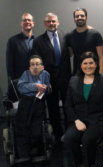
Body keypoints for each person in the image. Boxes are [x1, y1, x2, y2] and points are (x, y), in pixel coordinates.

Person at [64, 51, 103, 167]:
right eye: (85, 63)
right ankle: (79, 165)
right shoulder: (73, 81)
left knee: (87, 139)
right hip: (79, 120)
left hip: (98, 120)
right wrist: (76, 120)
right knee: (69, 138)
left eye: (91, 63)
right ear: (80, 65)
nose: (88, 66)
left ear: (96, 64)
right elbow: (68, 105)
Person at [32, 12, 71, 143]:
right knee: (53, 109)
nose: (51, 23)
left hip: (66, 78)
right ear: (45, 23)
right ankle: (59, 136)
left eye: (53, 21)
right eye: (48, 21)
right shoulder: (38, 41)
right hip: (50, 81)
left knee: (68, 107)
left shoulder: (65, 36)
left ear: (57, 22)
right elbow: (38, 63)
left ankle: (70, 134)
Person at [15, 55, 50, 167]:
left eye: (37, 64)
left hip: (39, 103)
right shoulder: (26, 74)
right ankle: (24, 157)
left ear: (42, 66)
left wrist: (45, 88)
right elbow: (21, 87)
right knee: (23, 128)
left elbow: (47, 90)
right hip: (26, 102)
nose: (35, 67)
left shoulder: (46, 75)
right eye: (32, 64)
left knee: (37, 129)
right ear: (29, 67)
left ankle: (36, 154)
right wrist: (35, 86)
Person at [66, 8, 103, 75]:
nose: (79, 18)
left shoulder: (95, 34)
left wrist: (100, 75)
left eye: (82, 15)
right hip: (77, 73)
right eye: (77, 16)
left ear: (86, 18)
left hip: (93, 73)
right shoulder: (70, 36)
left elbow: (101, 57)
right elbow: (70, 54)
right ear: (74, 19)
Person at [6, 13, 35, 80]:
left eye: (29, 20)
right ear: (21, 23)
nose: (27, 22)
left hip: (36, 79)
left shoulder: (38, 41)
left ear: (33, 23)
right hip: (19, 80)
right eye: (24, 20)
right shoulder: (12, 41)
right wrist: (12, 82)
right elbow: (10, 64)